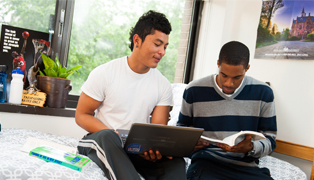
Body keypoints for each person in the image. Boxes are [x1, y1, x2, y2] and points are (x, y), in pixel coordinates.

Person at [75, 10, 186, 180]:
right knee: (107, 136)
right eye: (157, 44)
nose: (162, 52)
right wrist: (115, 136)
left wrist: (153, 150)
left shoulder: (163, 85)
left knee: (176, 162)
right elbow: (81, 115)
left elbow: (157, 133)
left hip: (135, 149)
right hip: (101, 141)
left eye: (165, 46)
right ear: (137, 40)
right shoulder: (105, 73)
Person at [177, 41, 277, 180]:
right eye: (224, 75)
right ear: (218, 64)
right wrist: (191, 144)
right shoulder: (194, 90)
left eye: (237, 77)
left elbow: (270, 140)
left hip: (246, 167)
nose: (229, 83)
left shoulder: (263, 93)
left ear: (247, 68)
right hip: (206, 163)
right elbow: (181, 130)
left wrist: (252, 147)